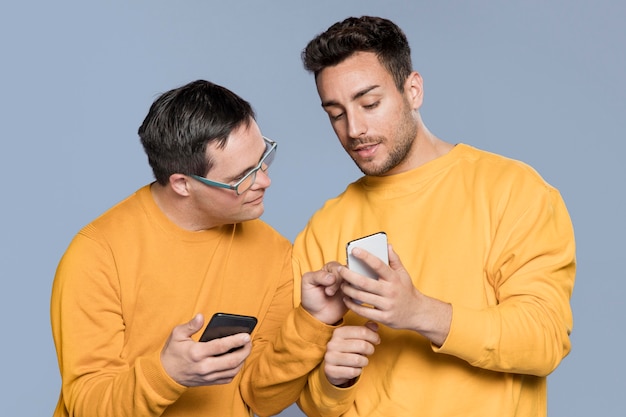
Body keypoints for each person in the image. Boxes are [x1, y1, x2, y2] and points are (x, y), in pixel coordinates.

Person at [292, 16, 576, 417]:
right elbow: (314, 402)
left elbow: (544, 339)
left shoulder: (514, 190)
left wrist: (419, 312)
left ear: (413, 90)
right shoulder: (323, 227)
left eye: (369, 103)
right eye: (336, 114)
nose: (354, 129)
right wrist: (334, 381)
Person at [50, 79, 338, 417]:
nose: (264, 181)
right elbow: (86, 405)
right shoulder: (96, 255)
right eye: (242, 176)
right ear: (182, 184)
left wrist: (313, 321)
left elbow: (264, 399)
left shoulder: (274, 252)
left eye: (264, 159)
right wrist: (168, 374)